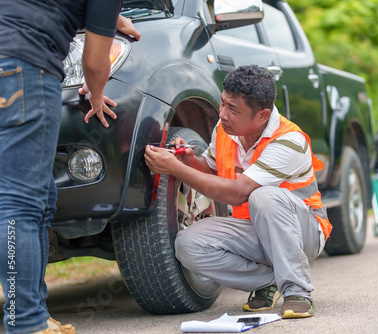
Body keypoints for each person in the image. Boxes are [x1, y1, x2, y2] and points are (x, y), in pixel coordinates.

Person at [144, 65, 332, 319]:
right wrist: (188, 160)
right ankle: (270, 280)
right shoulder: (224, 130)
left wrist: (175, 169)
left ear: (263, 115)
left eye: (233, 109)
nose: (222, 114)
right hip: (254, 231)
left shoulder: (288, 140)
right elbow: (210, 173)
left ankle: (297, 292)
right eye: (222, 103)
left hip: (303, 232)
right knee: (188, 246)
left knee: (263, 196)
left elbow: (236, 193)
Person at [0, 2, 139, 333]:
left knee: (42, 197)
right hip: (24, 69)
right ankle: (26, 321)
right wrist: (96, 93)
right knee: (20, 202)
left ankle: (34, 313)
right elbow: (93, 63)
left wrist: (109, 16)